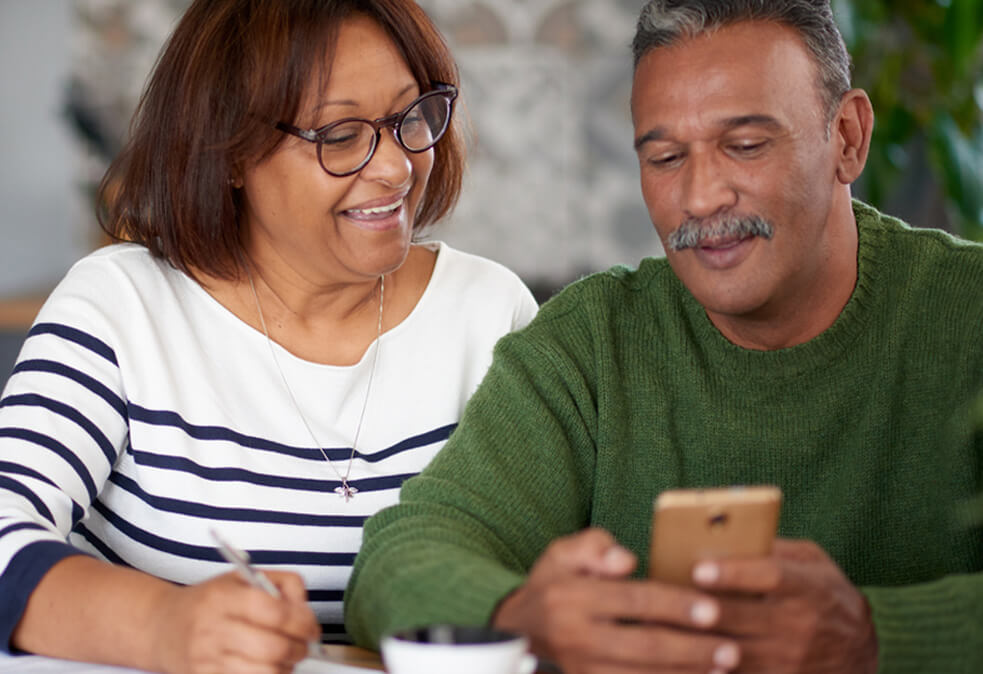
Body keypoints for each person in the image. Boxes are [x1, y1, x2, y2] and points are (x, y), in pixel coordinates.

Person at [345, 1, 983, 672]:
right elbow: (400, 557)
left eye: (744, 145)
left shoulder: (963, 315)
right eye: (666, 157)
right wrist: (516, 614)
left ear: (847, 137)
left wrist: (876, 635)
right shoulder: (593, 343)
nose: (701, 197)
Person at [0, 0, 537, 672]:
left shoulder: (490, 314)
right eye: (340, 134)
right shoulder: (120, 308)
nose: (396, 169)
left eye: (410, 117)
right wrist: (164, 626)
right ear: (226, 152)